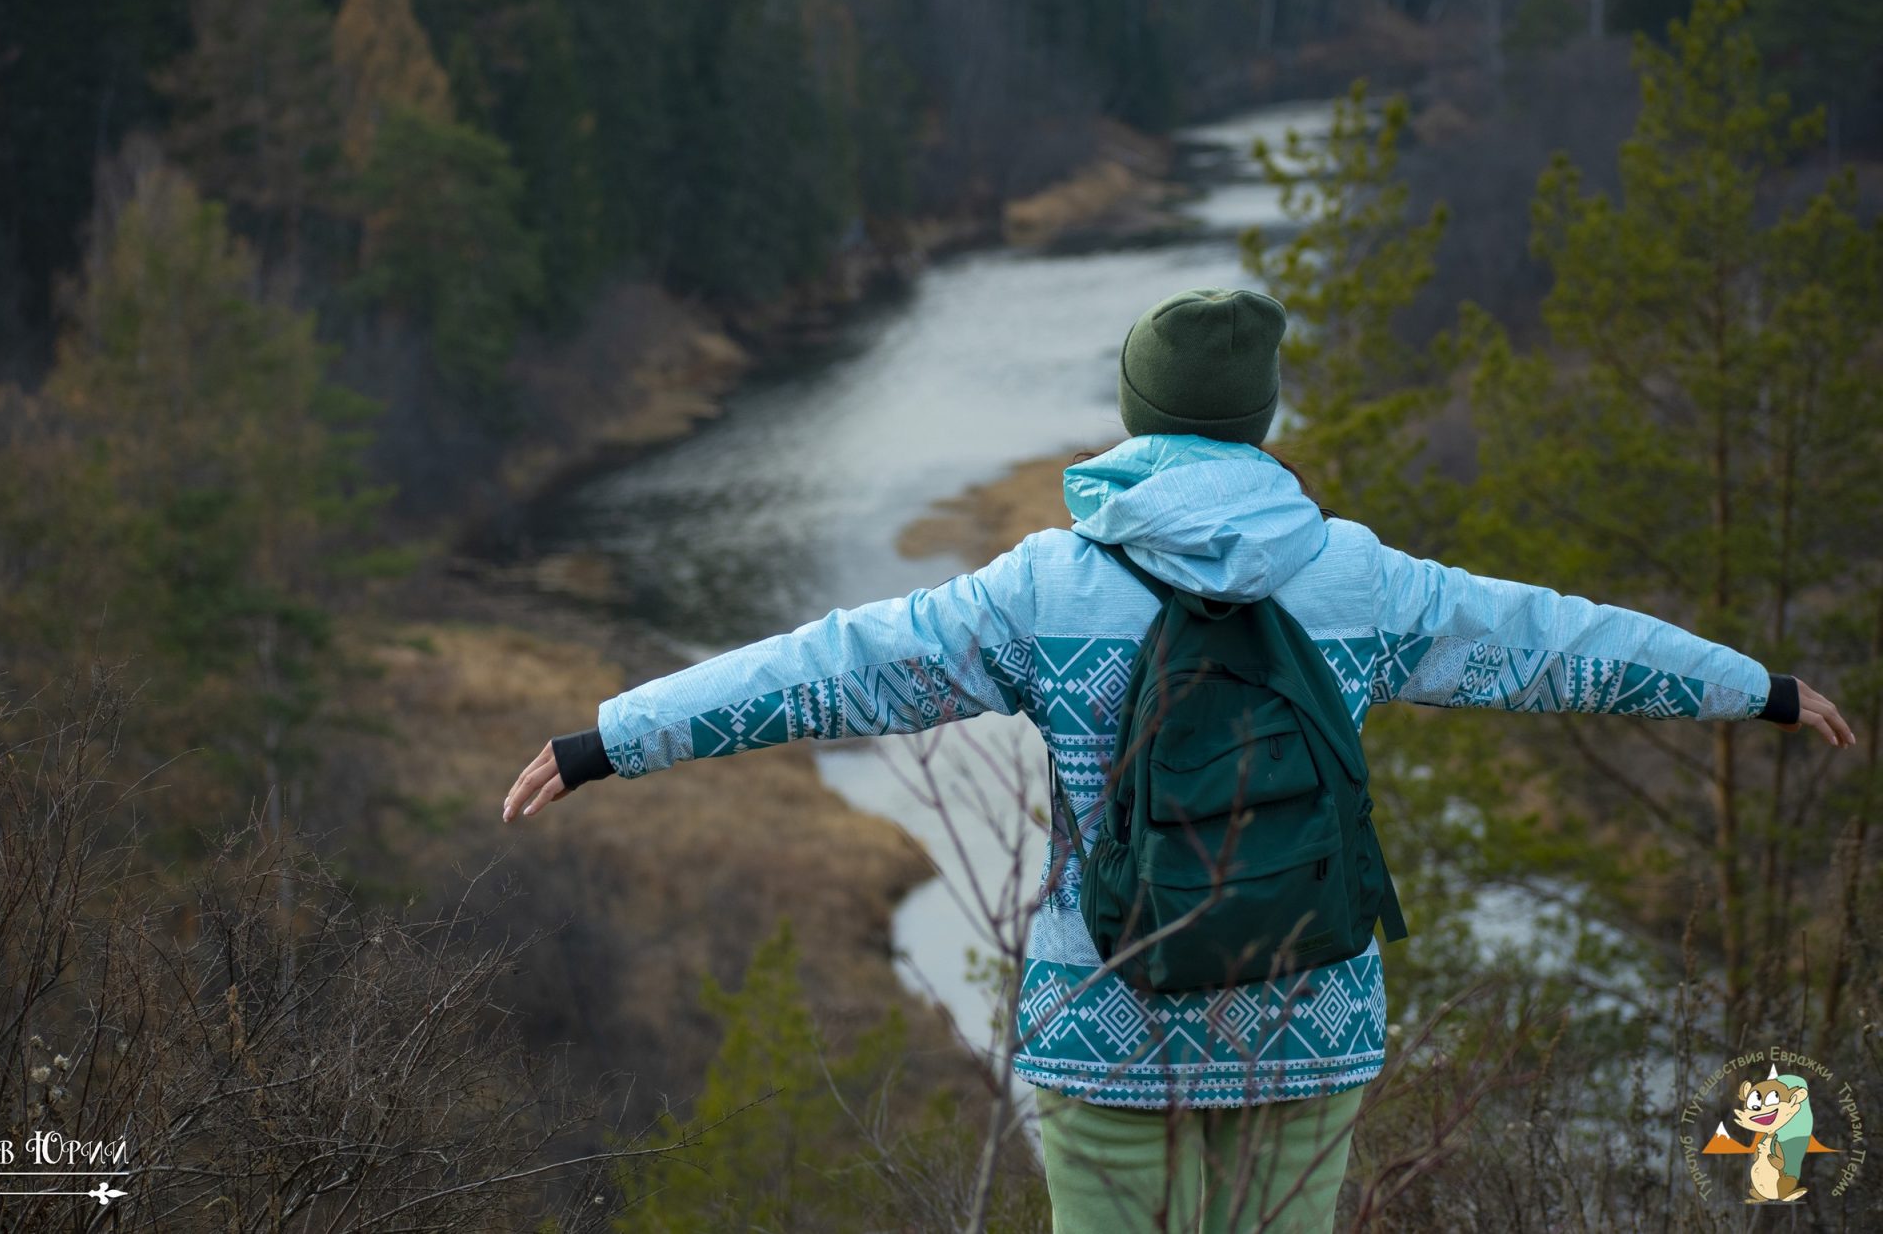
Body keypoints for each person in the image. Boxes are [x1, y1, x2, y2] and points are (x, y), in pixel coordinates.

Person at [500, 287, 1855, 1233]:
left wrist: (612, 735)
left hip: (1106, 1020)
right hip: (1309, 1013)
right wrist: (1761, 689)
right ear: (1260, 416)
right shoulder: (1360, 580)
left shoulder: (1046, 585)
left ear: (1138, 415)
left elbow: (829, 668)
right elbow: (1564, 646)